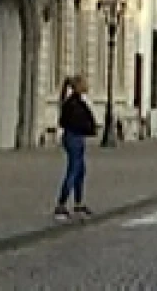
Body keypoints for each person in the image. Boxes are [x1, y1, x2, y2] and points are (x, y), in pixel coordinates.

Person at [55, 75, 98, 221]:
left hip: (77, 138)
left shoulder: (77, 102)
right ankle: (61, 204)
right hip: (73, 138)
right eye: (85, 84)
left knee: (80, 170)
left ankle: (78, 203)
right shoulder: (73, 104)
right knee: (73, 170)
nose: (88, 86)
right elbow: (79, 121)